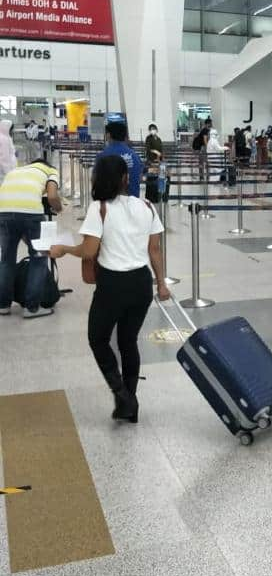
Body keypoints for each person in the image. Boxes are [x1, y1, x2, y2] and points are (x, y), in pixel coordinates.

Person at [50, 155, 168, 423]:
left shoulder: (99, 208)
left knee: (98, 338)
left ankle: (123, 395)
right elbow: (155, 250)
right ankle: (130, 401)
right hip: (141, 284)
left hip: (113, 285)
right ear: (126, 178)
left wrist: (65, 249)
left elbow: (89, 251)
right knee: (128, 342)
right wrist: (161, 283)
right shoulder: (147, 206)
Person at [0, 157, 62, 317]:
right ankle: (32, 307)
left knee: (6, 260)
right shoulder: (50, 171)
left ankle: (3, 305)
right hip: (30, 213)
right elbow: (52, 197)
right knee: (39, 258)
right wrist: (60, 209)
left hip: (3, 211)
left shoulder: (16, 170)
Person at [98, 120, 142, 198]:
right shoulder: (135, 156)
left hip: (110, 203)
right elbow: (139, 175)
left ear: (108, 135)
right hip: (132, 203)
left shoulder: (102, 156)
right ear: (125, 136)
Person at [0, 120, 17, 186]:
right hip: (5, 172)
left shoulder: (6, 137)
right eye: (11, 129)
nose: (12, 131)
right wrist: (8, 173)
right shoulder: (3, 139)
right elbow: (4, 158)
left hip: (6, 170)